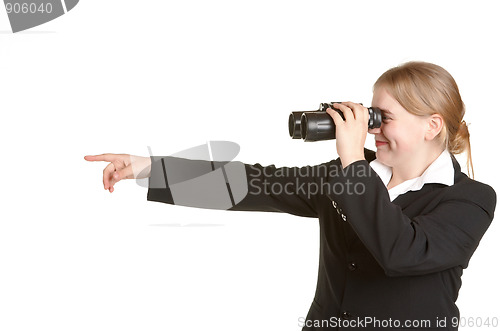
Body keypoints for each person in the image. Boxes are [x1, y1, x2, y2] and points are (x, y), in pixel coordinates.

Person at [84, 61, 496, 330]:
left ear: (432, 125)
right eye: (371, 116)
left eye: (384, 118)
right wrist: (151, 168)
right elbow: (253, 184)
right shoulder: (347, 173)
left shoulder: (470, 199)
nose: (371, 129)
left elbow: (401, 252)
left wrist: (353, 159)